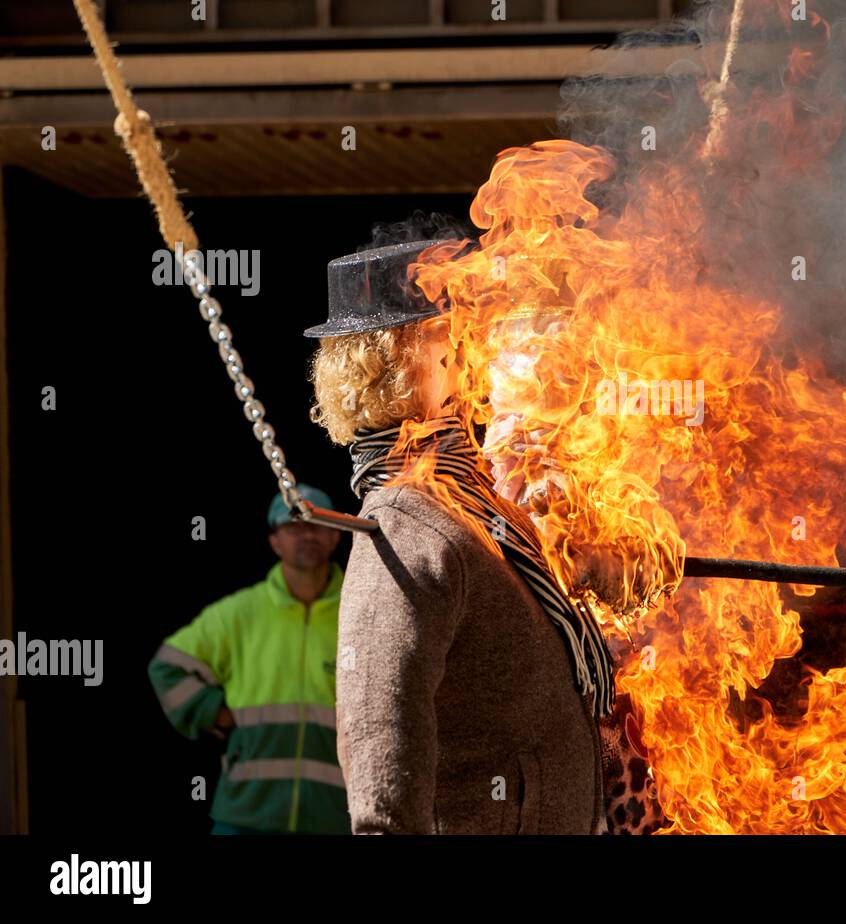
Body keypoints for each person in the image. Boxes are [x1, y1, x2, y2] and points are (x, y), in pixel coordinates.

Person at [307, 239, 612, 834]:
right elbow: (380, 728)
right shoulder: (401, 521)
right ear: (399, 359)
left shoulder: (476, 507)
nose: (476, 350)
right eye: (453, 335)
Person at [147, 485, 348, 834]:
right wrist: (214, 713)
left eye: (317, 524)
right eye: (293, 525)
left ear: (335, 537)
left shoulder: (361, 614)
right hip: (245, 817)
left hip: (334, 818)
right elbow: (166, 666)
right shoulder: (240, 613)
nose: (307, 533)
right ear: (275, 542)